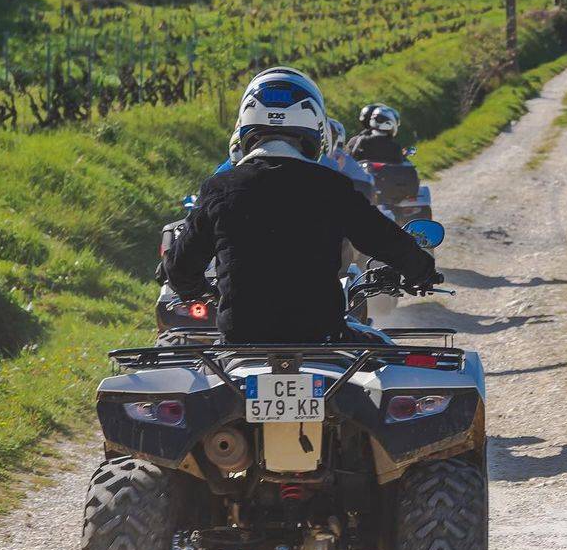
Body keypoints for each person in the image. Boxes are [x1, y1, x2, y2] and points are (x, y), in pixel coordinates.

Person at [164, 67, 438, 344]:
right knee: (385, 352)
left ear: (244, 125)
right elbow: (384, 239)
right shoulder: (333, 187)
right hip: (321, 338)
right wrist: (422, 270)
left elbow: (179, 270)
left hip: (241, 339)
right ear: (316, 126)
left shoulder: (219, 188)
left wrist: (203, 291)